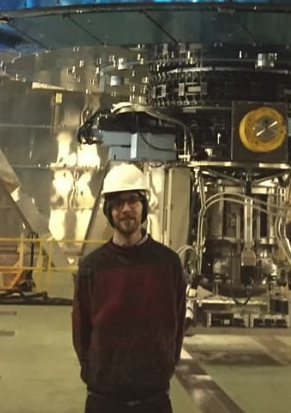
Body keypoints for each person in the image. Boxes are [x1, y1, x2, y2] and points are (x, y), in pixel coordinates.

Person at [72, 164, 186, 413]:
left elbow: (177, 323)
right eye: (117, 202)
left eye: (133, 200)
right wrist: (97, 371)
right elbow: (81, 329)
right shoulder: (93, 267)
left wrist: (166, 364)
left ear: (143, 207)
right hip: (104, 398)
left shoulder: (167, 264)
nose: (126, 209)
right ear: (108, 210)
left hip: (153, 397)